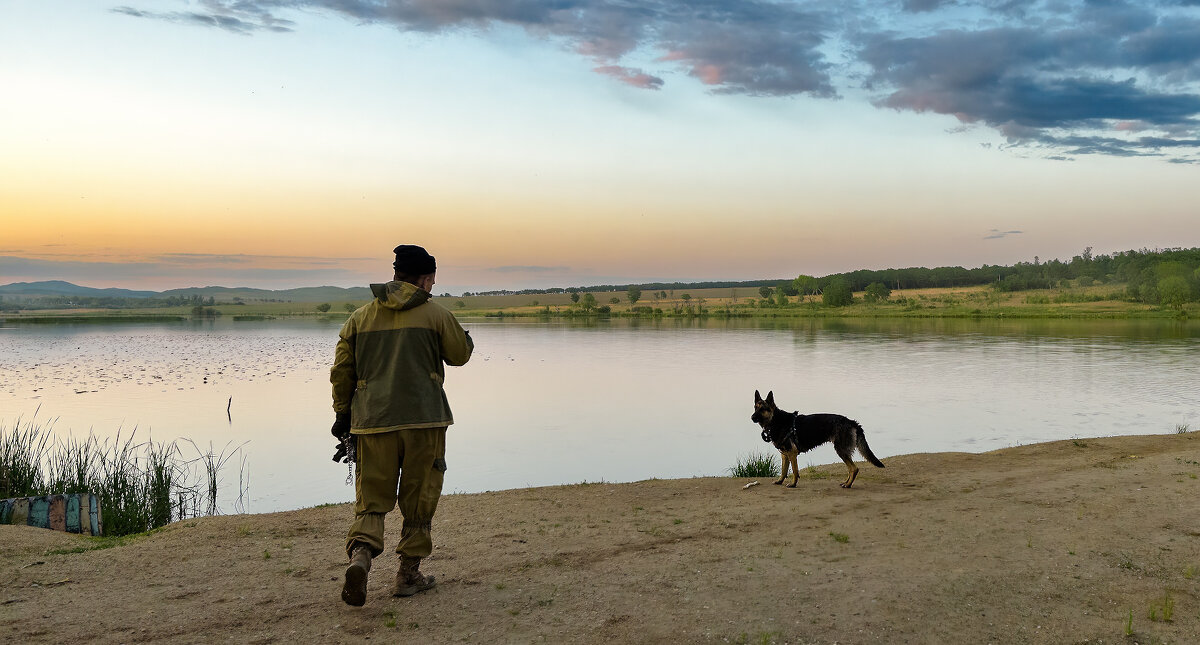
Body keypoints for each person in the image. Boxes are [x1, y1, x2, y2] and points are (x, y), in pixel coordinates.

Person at [330, 244, 473, 607]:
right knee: (419, 497)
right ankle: (408, 575)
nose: (432, 288)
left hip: (373, 423)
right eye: (432, 282)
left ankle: (361, 556)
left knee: (372, 500)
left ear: (395, 275)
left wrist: (342, 416)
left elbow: (342, 372)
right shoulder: (436, 315)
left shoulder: (359, 318)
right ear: (425, 279)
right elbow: (460, 355)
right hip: (425, 421)